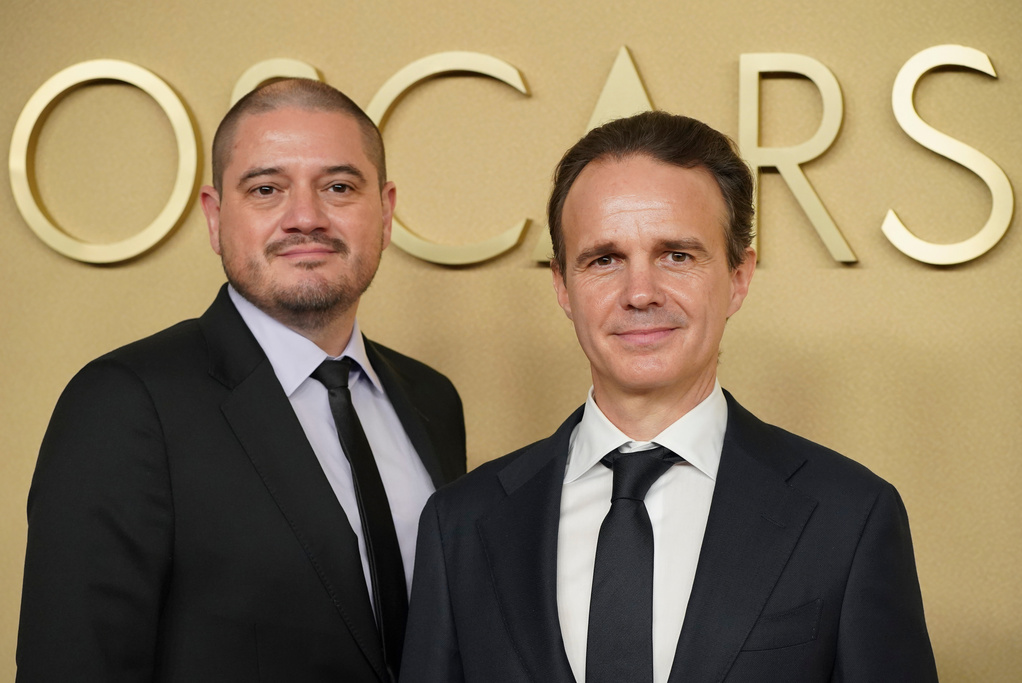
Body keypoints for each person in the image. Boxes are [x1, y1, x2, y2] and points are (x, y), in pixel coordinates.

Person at [400, 111, 937, 683]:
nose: (640, 293)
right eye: (604, 259)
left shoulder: (850, 517)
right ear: (562, 285)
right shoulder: (460, 524)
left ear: (738, 276)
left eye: (677, 255)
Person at [17, 78, 465, 683]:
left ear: (383, 212)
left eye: (338, 187)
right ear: (215, 215)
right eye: (266, 189)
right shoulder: (125, 404)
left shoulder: (432, 398)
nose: (305, 218)